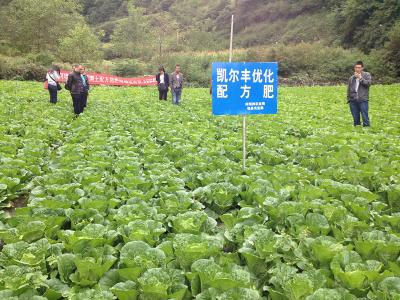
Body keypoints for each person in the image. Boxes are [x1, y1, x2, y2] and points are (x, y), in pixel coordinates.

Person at [347, 61, 372, 127]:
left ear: (362, 68)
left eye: (359, 67)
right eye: (356, 67)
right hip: (353, 100)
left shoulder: (367, 75)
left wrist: (360, 78)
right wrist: (349, 99)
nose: (357, 69)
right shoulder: (351, 78)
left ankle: (366, 132)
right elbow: (349, 89)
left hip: (363, 100)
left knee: (365, 117)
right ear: (354, 68)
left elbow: (368, 84)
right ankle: (357, 133)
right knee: (355, 119)